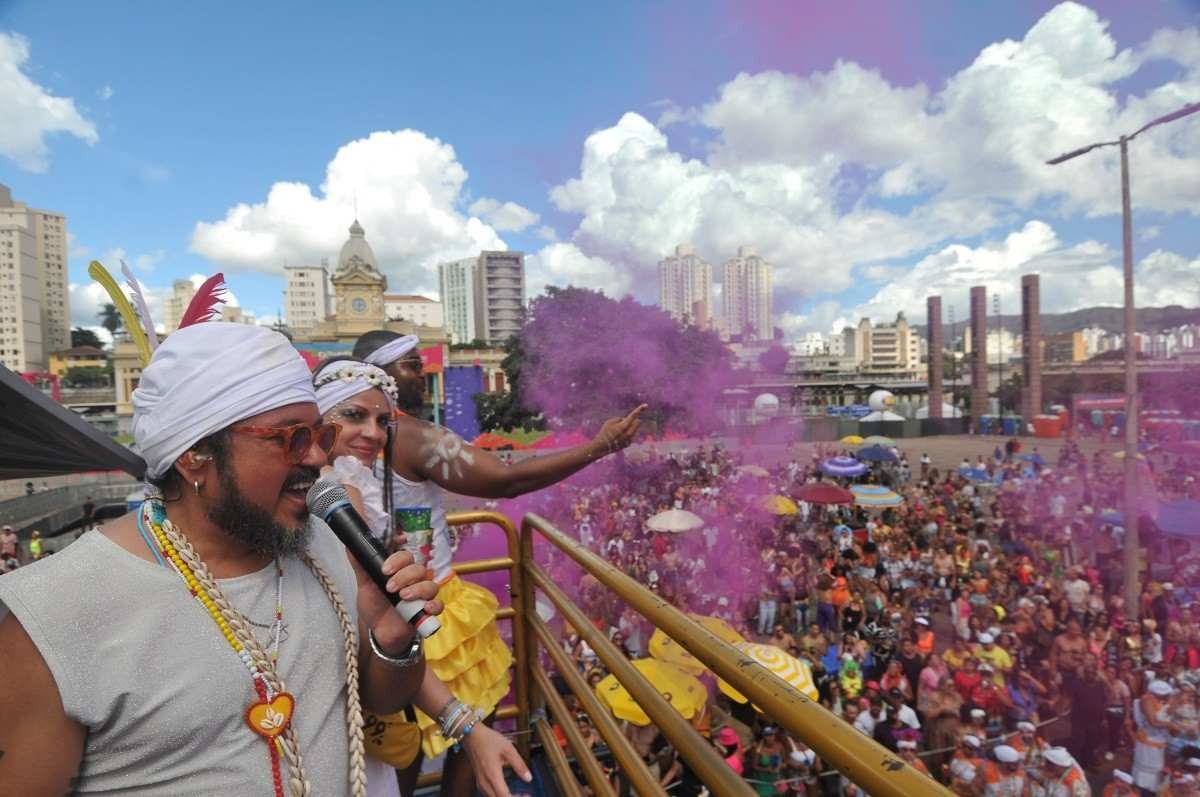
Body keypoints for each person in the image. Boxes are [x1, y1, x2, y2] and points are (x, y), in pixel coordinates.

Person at [0, 321, 442, 795]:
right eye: (291, 437)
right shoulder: (51, 614)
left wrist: (392, 644)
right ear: (195, 455)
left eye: (322, 434)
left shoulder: (327, 544)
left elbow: (381, 699)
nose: (316, 457)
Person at [354, 330, 644, 797]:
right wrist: (600, 446)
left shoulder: (346, 437)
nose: (422, 371)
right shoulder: (405, 432)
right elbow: (505, 480)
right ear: (380, 376)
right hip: (426, 602)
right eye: (410, 365)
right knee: (453, 728)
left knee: (395, 743)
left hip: (372, 601)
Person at [311, 357, 528, 797]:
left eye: (381, 420)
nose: (373, 432)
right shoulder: (330, 493)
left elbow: (380, 628)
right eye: (354, 415)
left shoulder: (341, 484)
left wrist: (466, 728)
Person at [1133, 680, 1175, 794]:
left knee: (1157, 771)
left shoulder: (1160, 700)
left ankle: (1153, 791)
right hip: (1147, 742)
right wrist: (1171, 725)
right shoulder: (1146, 699)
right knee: (1146, 772)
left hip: (1159, 742)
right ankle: (1143, 791)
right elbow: (1153, 722)